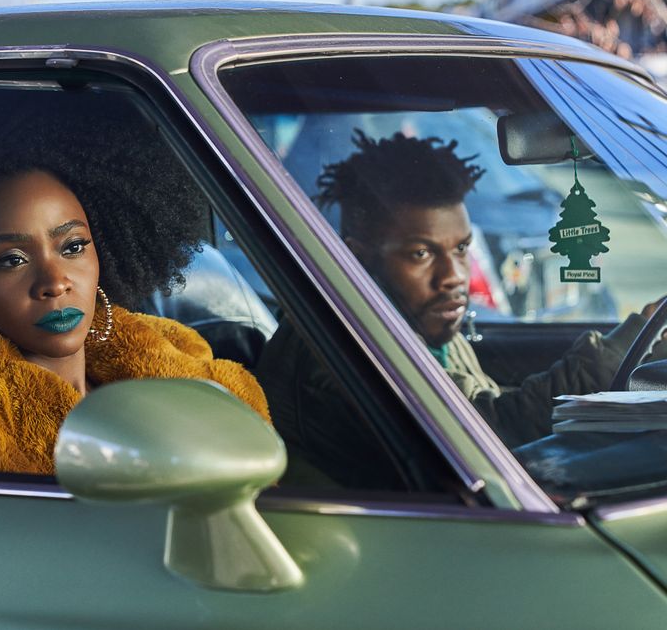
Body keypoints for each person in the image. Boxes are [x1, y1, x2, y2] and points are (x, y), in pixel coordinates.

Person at [0, 104, 271, 475]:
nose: (55, 282)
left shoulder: (182, 358)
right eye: (11, 260)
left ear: (107, 249)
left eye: (73, 246)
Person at [263, 131, 662, 486]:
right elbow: (489, 433)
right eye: (421, 253)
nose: (453, 276)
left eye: (461, 248)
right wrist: (627, 342)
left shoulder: (408, 321)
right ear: (356, 258)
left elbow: (482, 398)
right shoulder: (336, 350)